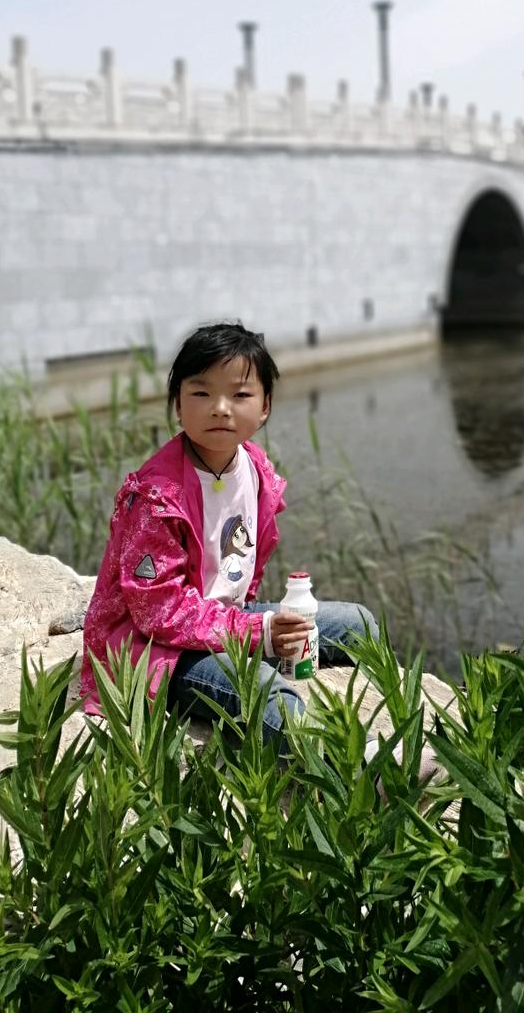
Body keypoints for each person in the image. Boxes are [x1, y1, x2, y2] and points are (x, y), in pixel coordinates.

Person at [80, 321, 378, 750]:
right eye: (202, 393)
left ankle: (387, 713)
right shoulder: (156, 497)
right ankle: (357, 762)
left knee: (358, 625)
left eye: (239, 395)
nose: (221, 408)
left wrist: (256, 626)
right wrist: (261, 633)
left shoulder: (255, 468)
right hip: (157, 650)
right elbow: (159, 614)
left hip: (225, 619)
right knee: (264, 693)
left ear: (264, 406)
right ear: (178, 404)